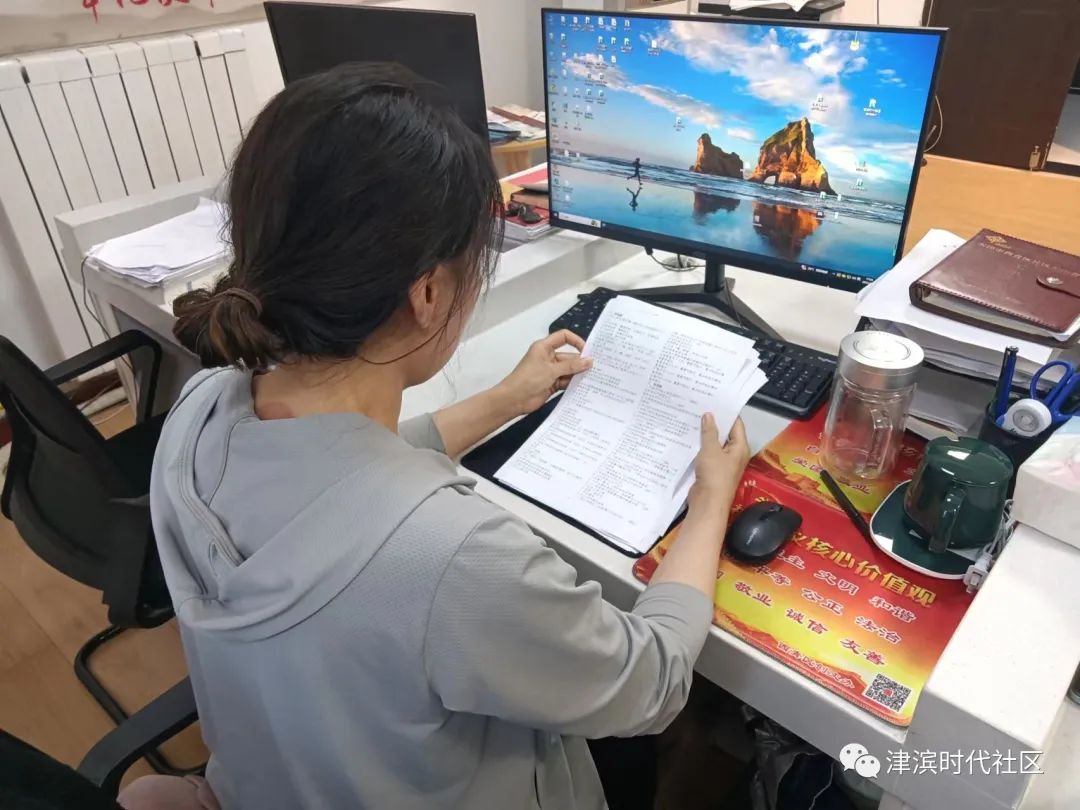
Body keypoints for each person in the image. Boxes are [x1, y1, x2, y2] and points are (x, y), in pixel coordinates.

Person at [151, 63, 750, 810]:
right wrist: (711, 502)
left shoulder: (198, 409)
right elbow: (651, 683)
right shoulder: (458, 558)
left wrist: (503, 401)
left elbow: (340, 492)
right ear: (429, 294)